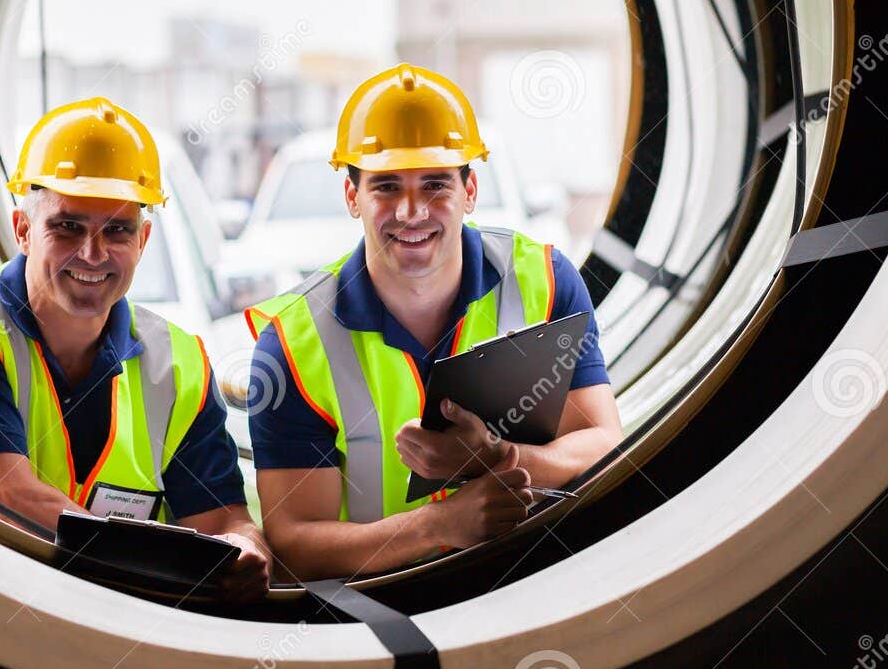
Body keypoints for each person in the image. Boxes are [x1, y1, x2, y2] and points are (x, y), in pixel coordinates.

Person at [245, 64, 621, 580]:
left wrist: (495, 457)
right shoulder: (293, 341)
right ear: (353, 197)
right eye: (387, 187)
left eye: (435, 185)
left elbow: (601, 443)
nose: (411, 211)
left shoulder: (546, 282)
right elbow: (295, 542)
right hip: (386, 610)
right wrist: (439, 526)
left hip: (532, 580)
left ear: (470, 190)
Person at [0, 98, 269, 600]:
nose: (93, 253)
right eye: (67, 226)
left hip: (111, 628)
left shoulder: (178, 365)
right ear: (23, 230)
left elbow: (224, 520)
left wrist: (246, 549)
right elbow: (5, 496)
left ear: (143, 240)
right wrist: (150, 567)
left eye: (117, 230)